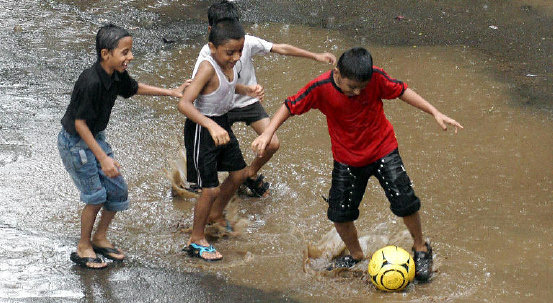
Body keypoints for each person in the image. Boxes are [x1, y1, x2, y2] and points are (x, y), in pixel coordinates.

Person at [252, 47, 463, 282]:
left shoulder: (375, 77)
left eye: (362, 87)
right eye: (351, 87)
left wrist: (435, 112)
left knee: (406, 202)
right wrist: (267, 134)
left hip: (384, 149)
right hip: (347, 159)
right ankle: (356, 255)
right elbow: (289, 106)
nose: (357, 92)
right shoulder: (320, 88)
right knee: (340, 215)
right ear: (337, 73)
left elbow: (402, 91)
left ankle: (421, 248)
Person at [58, 24, 189, 269]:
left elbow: (134, 88)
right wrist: (103, 158)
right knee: (96, 196)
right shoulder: (90, 82)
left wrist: (172, 92)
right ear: (105, 54)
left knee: (117, 190)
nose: (130, 57)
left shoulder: (116, 75)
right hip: (76, 143)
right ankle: (83, 246)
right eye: (125, 52)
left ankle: (100, 237)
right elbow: (80, 124)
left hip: (95, 137)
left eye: (130, 51)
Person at [186, 0, 336, 197]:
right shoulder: (207, 55)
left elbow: (280, 48)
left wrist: (315, 56)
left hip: (247, 101)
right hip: (220, 106)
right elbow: (194, 90)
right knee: (211, 154)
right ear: (211, 30)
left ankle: (249, 174)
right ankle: (205, 183)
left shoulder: (246, 41)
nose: (236, 53)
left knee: (272, 143)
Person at [178, 19, 264, 261]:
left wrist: (246, 90)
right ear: (212, 47)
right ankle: (196, 240)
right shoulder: (207, 67)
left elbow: (228, 86)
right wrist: (210, 125)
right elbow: (184, 103)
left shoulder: (229, 64)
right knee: (210, 188)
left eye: (239, 51)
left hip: (221, 125)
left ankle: (215, 215)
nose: (236, 57)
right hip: (202, 129)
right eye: (230, 52)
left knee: (239, 174)